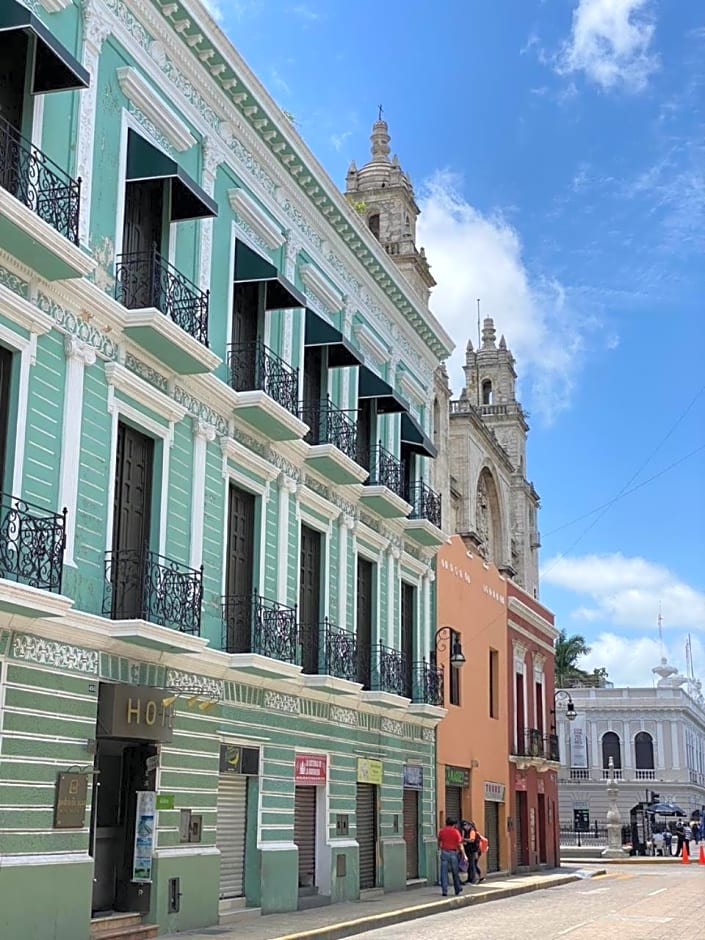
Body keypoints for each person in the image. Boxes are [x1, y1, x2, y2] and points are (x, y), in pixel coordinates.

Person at [437, 816, 465, 896]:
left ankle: (444, 890)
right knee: (455, 872)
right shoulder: (456, 832)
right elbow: (460, 844)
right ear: (454, 824)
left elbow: (439, 841)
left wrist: (440, 848)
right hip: (453, 853)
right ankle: (457, 889)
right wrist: (464, 854)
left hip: (444, 852)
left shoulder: (441, 831)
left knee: (443, 872)